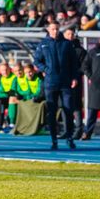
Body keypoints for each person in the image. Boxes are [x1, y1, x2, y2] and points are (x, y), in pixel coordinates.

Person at [34, 21, 79, 150]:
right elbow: (37, 60)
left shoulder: (66, 44)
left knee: (68, 109)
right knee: (52, 112)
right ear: (48, 29)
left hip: (65, 82)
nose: (55, 31)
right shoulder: (43, 44)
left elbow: (74, 62)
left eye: (57, 29)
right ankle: (54, 139)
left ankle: (69, 137)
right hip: (50, 82)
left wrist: (74, 77)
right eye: (53, 29)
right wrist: (45, 69)